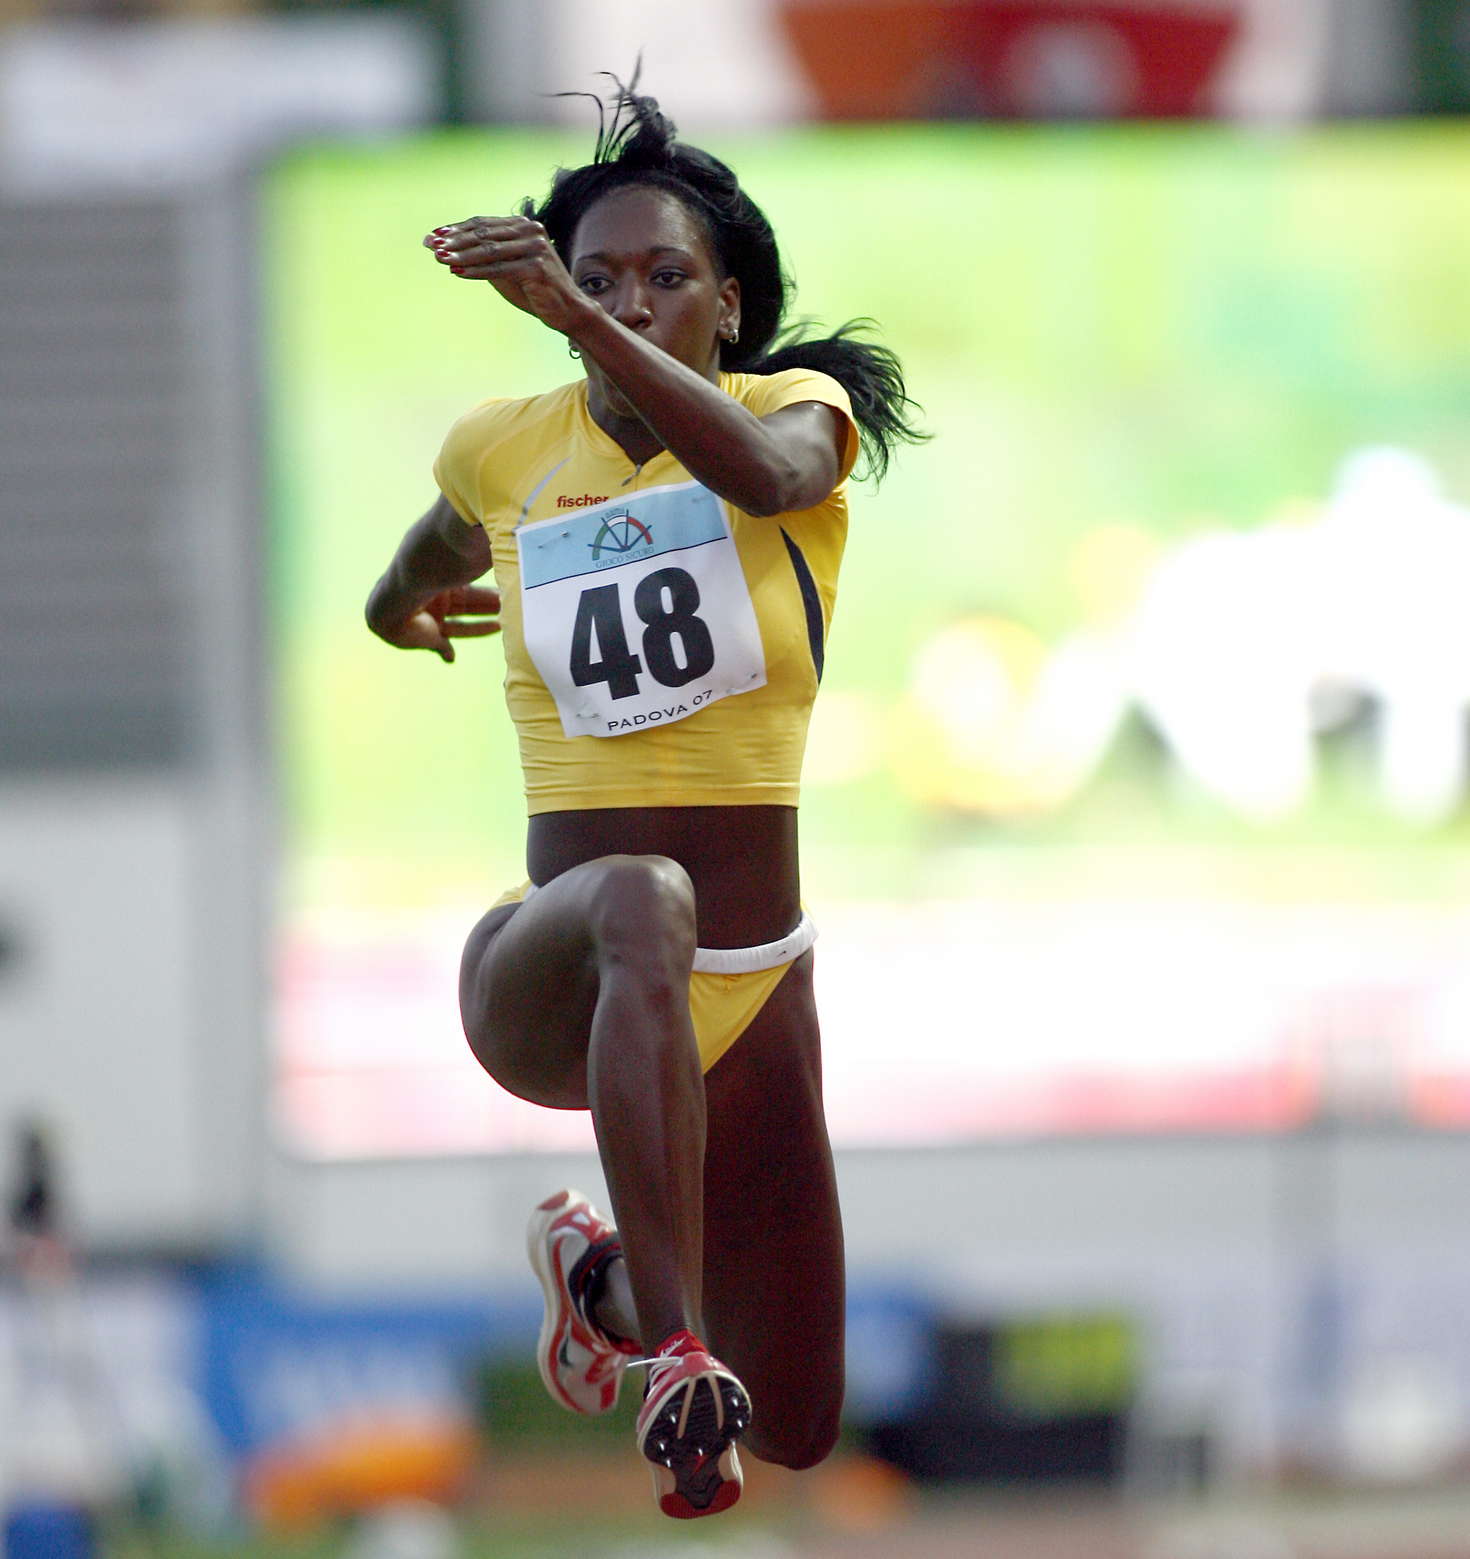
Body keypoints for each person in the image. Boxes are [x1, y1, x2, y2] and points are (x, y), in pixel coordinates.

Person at [365, 79, 924, 1520]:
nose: (628, 301)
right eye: (597, 276)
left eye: (665, 278)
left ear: (727, 306)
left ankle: (602, 1288)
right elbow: (419, 561)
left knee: (798, 1419)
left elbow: (762, 476)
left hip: (752, 982)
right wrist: (396, 610)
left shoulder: (794, 416)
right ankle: (670, 1355)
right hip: (557, 961)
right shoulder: (504, 448)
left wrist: (576, 318)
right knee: (641, 899)